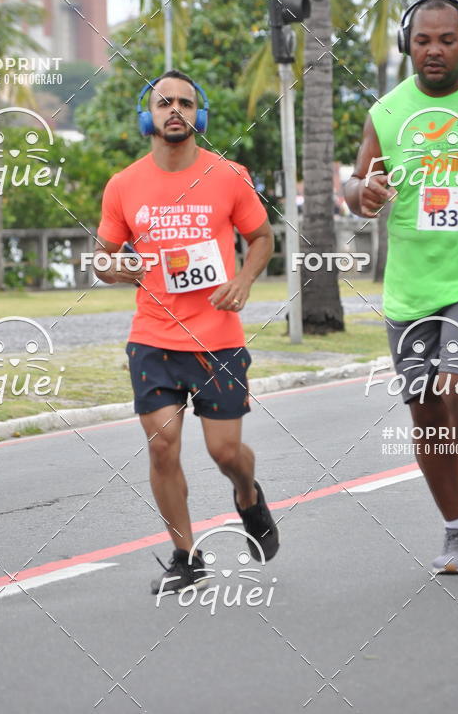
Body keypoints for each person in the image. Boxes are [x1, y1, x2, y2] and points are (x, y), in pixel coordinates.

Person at [345, 0, 458, 573]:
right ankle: (455, 529)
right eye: (423, 40)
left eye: (446, 39)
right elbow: (356, 182)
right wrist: (361, 195)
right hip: (411, 287)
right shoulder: (388, 112)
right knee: (425, 412)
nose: (434, 50)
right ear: (407, 45)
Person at [93, 69, 279, 594]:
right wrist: (119, 268)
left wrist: (243, 279)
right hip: (152, 336)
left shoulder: (228, 176)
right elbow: (104, 260)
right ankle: (185, 555)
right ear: (146, 117)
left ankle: (247, 495)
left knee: (226, 454)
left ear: (198, 115)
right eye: (162, 102)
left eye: (184, 102)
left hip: (217, 338)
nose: (174, 109)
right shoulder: (124, 185)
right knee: (162, 446)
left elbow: (261, 237)